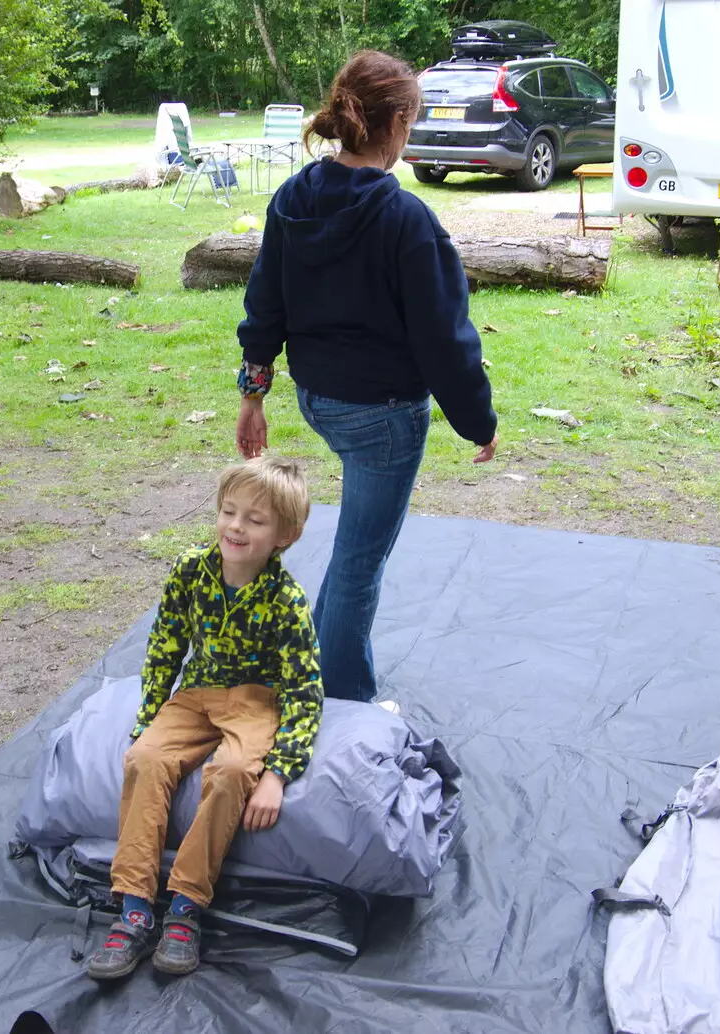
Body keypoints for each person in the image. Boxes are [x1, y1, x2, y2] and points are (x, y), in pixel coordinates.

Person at [235, 49, 499, 705]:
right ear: (400, 121)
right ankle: (341, 703)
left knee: (353, 557)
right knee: (357, 564)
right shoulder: (404, 219)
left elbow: (264, 306)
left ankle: (313, 674)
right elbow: (444, 338)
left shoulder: (294, 197)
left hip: (318, 400)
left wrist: (254, 396)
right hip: (380, 416)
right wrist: (478, 422)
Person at [86, 456, 323, 980]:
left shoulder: (287, 602)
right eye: (229, 512)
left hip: (258, 700)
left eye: (255, 520)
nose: (236, 527)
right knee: (145, 757)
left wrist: (279, 774)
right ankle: (133, 907)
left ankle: (187, 907)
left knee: (235, 771)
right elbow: (165, 647)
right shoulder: (190, 570)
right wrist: (149, 718)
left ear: (285, 535)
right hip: (198, 693)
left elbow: (307, 690)